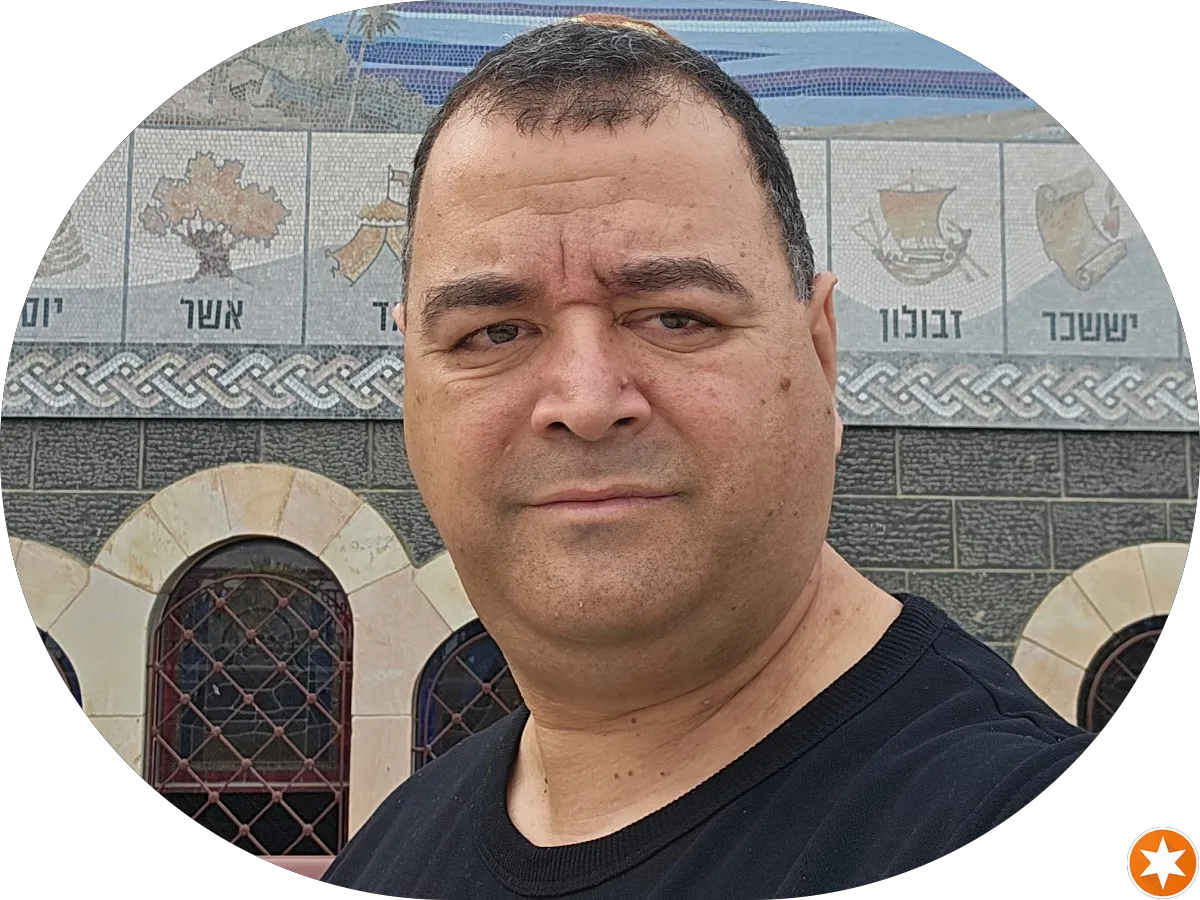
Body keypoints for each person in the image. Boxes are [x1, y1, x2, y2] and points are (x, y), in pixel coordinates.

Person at [323, 15, 1094, 899]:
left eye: (676, 317)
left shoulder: (992, 801)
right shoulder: (391, 849)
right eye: (493, 332)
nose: (586, 402)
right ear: (411, 387)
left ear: (820, 356)